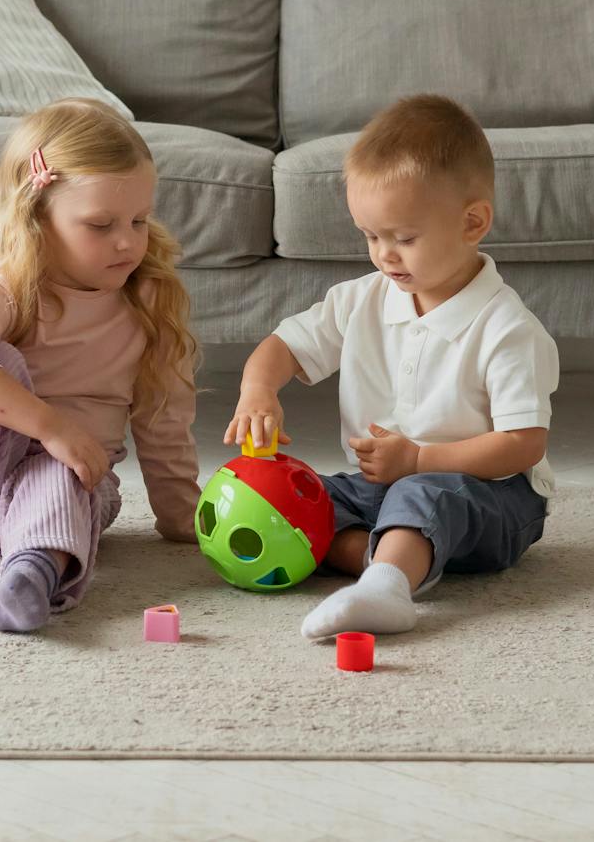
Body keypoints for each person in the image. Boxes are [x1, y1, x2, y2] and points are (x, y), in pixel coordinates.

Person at [225, 94, 558, 639]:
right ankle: (390, 567)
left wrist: (421, 458)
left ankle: (386, 589)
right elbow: (282, 345)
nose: (384, 255)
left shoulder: (507, 329)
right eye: (370, 236)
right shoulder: (364, 299)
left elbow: (524, 442)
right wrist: (258, 389)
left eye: (404, 238)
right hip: (381, 487)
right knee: (302, 496)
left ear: (472, 222)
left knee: (421, 494)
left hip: (491, 498)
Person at [0, 98, 200, 633]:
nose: (127, 241)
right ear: (37, 218)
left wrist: (180, 514)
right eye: (100, 224)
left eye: (139, 220)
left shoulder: (148, 302)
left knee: (61, 476)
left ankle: (32, 574)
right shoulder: (10, 288)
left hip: (73, 487)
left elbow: (163, 415)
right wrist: (49, 424)